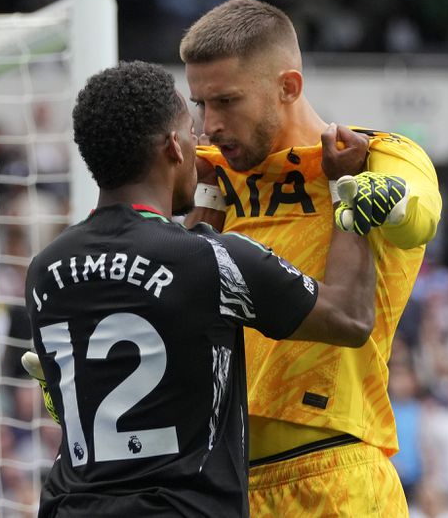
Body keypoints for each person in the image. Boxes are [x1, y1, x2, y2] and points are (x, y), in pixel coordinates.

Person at [24, 60, 402, 516]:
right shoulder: (214, 261)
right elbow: (349, 317)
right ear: (173, 148)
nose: (202, 139)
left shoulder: (46, 269)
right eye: (191, 129)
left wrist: (210, 196)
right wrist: (347, 185)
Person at [180, 0, 441, 517]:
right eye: (200, 104)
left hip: (334, 475)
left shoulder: (372, 155)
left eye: (227, 101)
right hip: (220, 483)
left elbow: (418, 215)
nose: (209, 125)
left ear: (289, 87)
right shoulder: (211, 175)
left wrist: (373, 194)